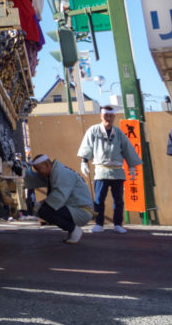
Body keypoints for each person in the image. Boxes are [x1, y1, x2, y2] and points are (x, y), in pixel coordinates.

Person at [76, 102, 141, 234]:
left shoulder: (119, 133)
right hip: (101, 170)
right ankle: (99, 224)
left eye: (111, 116)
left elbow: (127, 149)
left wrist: (132, 166)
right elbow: (87, 146)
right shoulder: (93, 130)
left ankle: (117, 224)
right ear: (101, 116)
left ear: (114, 117)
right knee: (99, 199)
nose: (108, 118)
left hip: (117, 170)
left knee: (118, 200)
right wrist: (84, 161)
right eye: (106, 115)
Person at [24, 154, 94, 243]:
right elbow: (34, 179)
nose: (38, 172)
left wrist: (41, 205)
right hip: (76, 208)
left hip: (83, 211)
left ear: (46, 164)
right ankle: (73, 230)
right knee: (43, 209)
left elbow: (59, 196)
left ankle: (74, 230)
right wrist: (22, 172)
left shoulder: (61, 173)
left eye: (38, 169)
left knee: (44, 210)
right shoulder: (55, 171)